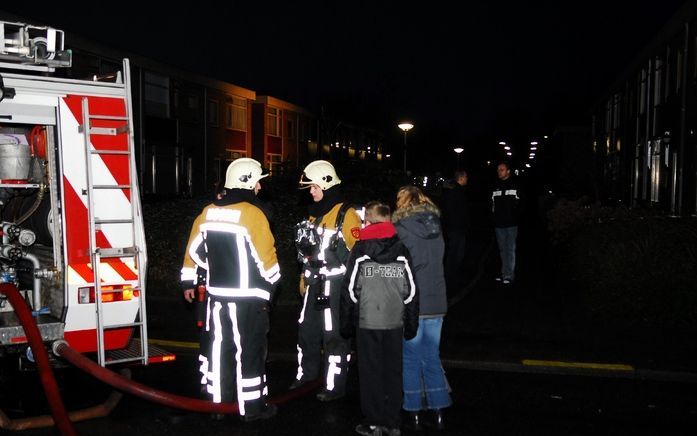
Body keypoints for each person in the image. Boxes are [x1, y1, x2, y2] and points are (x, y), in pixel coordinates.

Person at [180, 158, 280, 422]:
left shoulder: (208, 211)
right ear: (246, 182)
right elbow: (267, 258)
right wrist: (272, 286)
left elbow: (194, 252)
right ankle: (253, 409)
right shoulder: (252, 213)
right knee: (250, 351)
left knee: (220, 351)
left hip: (217, 298)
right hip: (249, 299)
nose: (260, 186)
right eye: (258, 180)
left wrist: (189, 281)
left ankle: (219, 406)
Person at [340, 202, 418, 436]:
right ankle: (392, 422)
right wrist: (411, 324)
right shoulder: (402, 249)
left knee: (370, 372)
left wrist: (346, 324)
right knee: (393, 371)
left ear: (369, 222)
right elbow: (411, 291)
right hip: (394, 322)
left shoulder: (361, 249)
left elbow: (350, 290)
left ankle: (373, 422)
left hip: (367, 322)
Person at [292, 160, 362, 401]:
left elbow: (359, 254)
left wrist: (353, 289)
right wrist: (303, 275)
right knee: (306, 332)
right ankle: (306, 376)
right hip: (314, 285)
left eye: (313, 187)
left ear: (326, 183)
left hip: (336, 286)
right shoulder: (313, 215)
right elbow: (307, 252)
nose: (311, 192)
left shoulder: (347, 214)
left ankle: (333, 386)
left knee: (334, 337)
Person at [393, 186, 452, 431]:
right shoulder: (436, 226)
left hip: (413, 302)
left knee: (410, 358)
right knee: (431, 356)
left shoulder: (401, 228)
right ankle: (438, 409)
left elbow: (399, 266)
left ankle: (414, 410)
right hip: (437, 302)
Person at [491, 161, 521, 285]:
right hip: (499, 224)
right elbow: (492, 204)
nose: (499, 171)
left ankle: (509, 274)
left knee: (510, 249)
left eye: (502, 169)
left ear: (508, 171)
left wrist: (515, 216)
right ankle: (504, 272)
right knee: (502, 250)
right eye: (498, 169)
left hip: (511, 224)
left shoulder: (515, 185)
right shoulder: (495, 186)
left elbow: (520, 204)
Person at [440, 170, 470, 293]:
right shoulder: (456, 192)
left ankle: (451, 277)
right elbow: (456, 211)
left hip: (453, 227)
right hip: (456, 227)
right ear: (461, 178)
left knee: (453, 252)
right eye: (466, 177)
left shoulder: (452, 191)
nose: (467, 179)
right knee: (456, 253)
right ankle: (452, 278)